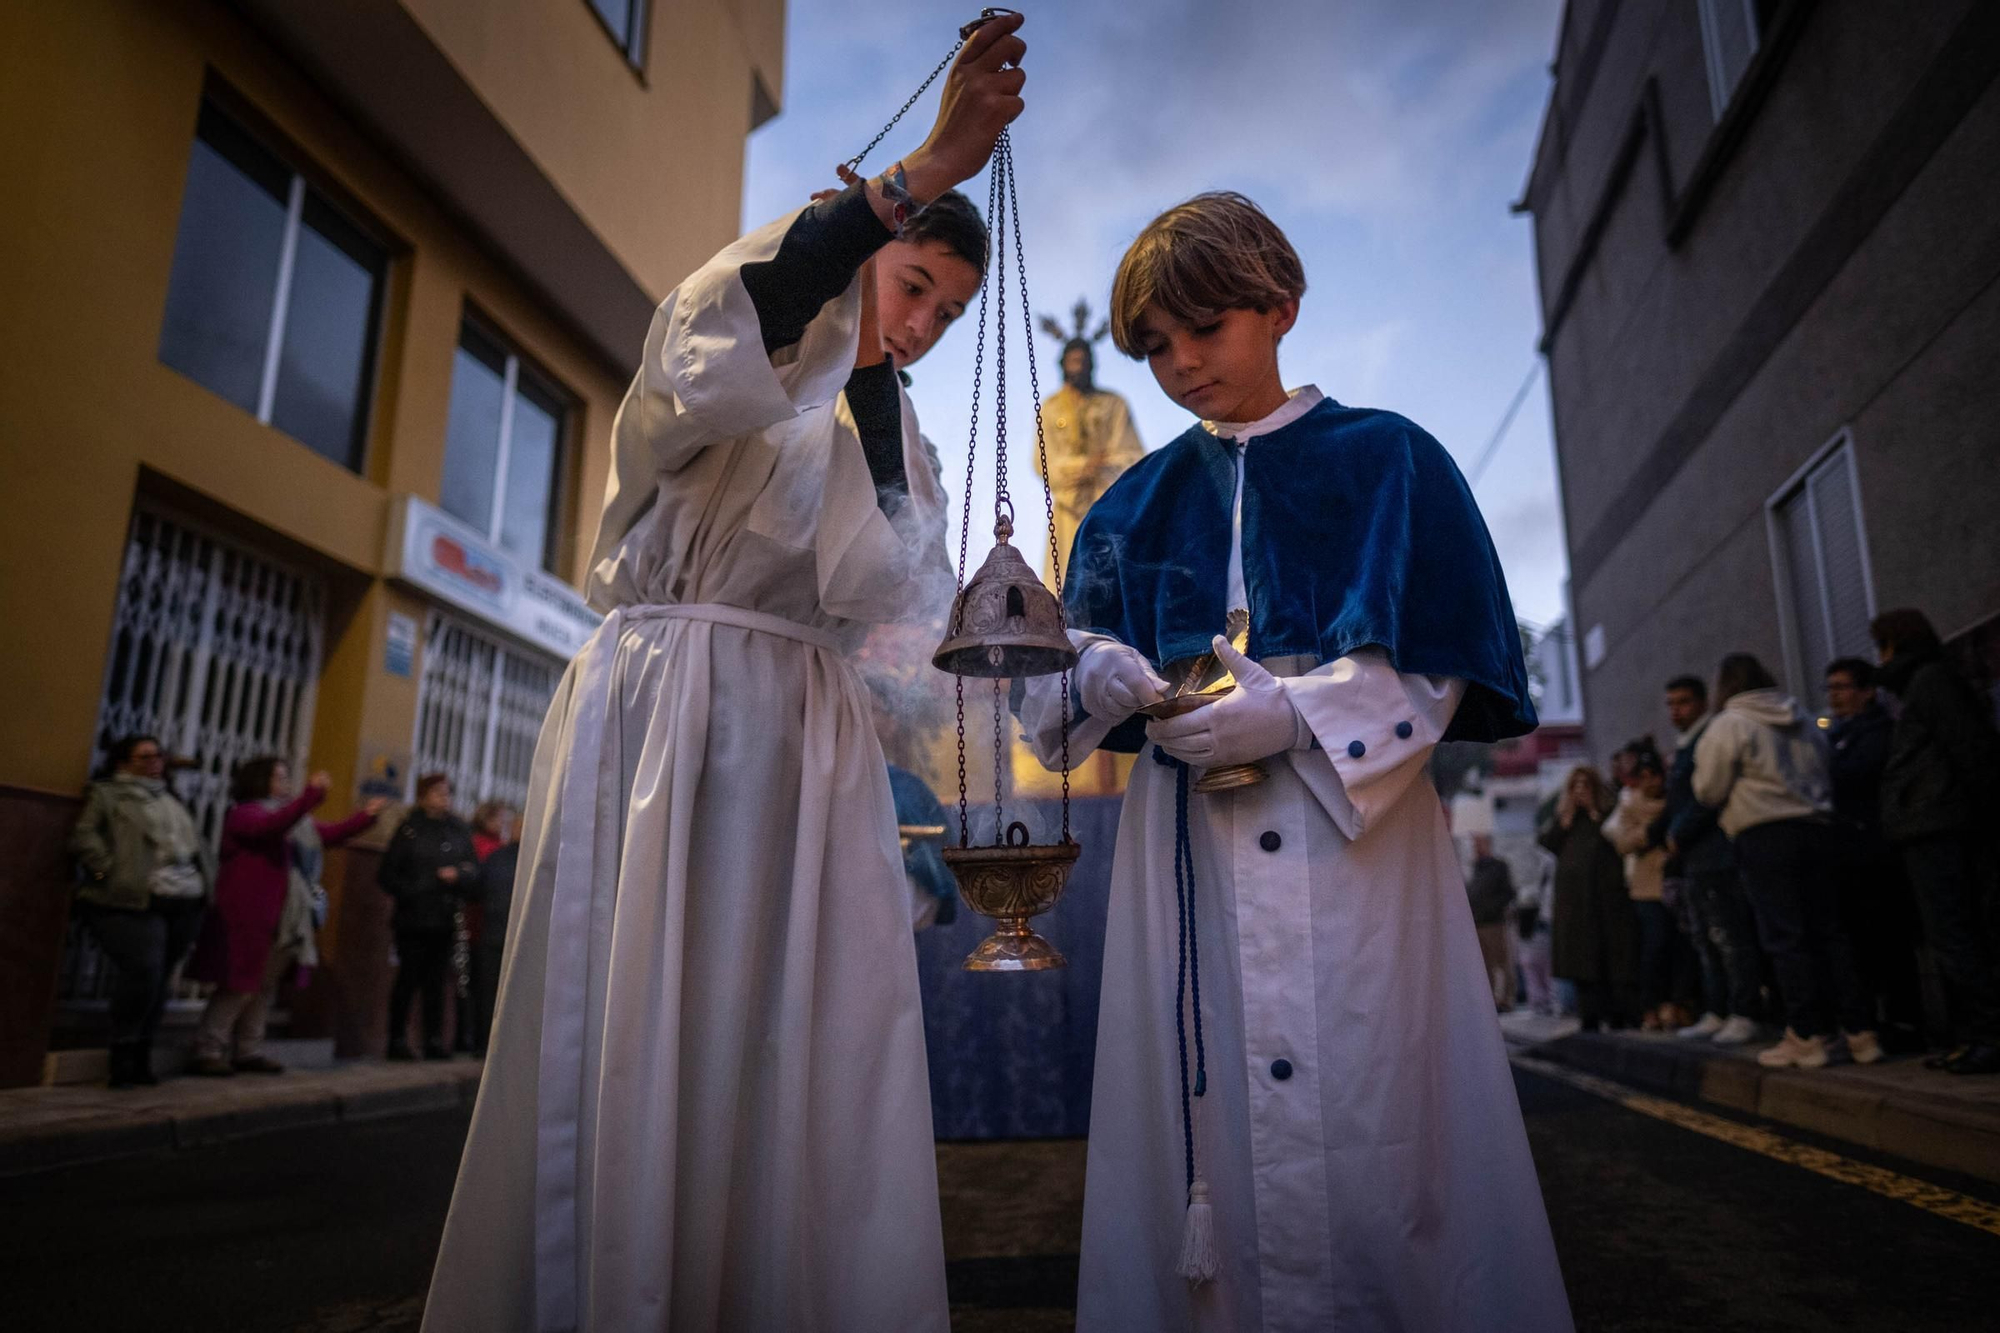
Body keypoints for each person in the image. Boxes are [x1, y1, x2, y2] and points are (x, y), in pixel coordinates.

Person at [422, 17, 1026, 1331]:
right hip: (669, 707)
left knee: (797, 1042)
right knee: (649, 1028)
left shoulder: (895, 424)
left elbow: (892, 588)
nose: (922, 325)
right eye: (914, 283)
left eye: (947, 311)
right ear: (868, 237)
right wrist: (925, 169)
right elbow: (746, 329)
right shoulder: (737, 323)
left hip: (805, 737)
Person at [1021, 191, 1570, 1331]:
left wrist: (1300, 716)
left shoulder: (1391, 463)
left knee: (1382, 1102)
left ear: (1279, 307)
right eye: (1153, 348)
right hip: (1189, 869)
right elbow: (1048, 686)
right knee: (1203, 1120)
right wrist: (1098, 675)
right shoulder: (1130, 501)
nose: (1177, 366)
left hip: (1353, 853)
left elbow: (1445, 659)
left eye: (1202, 331)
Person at [1692, 653, 1877, 1069]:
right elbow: (1826, 768)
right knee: (1830, 932)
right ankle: (1860, 1031)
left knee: (1785, 936)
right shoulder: (1806, 719)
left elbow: (1708, 789)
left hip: (1763, 833)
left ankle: (1807, 1034)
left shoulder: (1729, 724)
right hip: (1817, 828)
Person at [186, 758, 383, 1075]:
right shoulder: (245, 814)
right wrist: (311, 796)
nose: (285, 782)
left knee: (264, 986)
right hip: (246, 914)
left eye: (286, 776)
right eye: (278, 777)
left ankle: (249, 1049)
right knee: (238, 986)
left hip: (283, 916)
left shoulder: (295, 821)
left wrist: (366, 817)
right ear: (259, 781)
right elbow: (271, 827)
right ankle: (208, 1048)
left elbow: (329, 834)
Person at [1871, 609, 2000, 1075]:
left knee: (1958, 933)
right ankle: (1974, 1036)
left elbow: (1970, 748)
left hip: (1941, 826)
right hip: (1936, 824)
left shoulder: (1929, 682)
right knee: (1953, 935)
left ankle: (1988, 1036)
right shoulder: (1922, 684)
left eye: (1880, 644)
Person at [67, 734, 213, 1088]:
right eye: (144, 756)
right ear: (123, 763)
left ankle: (142, 1054)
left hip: (182, 899)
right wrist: (107, 873)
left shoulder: (171, 799)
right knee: (144, 971)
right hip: (129, 900)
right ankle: (122, 1053)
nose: (154, 762)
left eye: (158, 756)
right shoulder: (108, 795)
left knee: (160, 979)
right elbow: (83, 837)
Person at [1653, 675, 1761, 1045]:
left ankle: (1743, 1010)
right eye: (1670, 703)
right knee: (1707, 938)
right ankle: (1717, 1008)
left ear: (1701, 702)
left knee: (1729, 937)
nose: (1675, 711)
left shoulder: (1710, 736)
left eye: (1682, 702)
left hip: (1716, 853)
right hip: (1696, 858)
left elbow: (1706, 796)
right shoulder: (1687, 744)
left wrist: (1676, 833)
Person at [1824, 656, 1923, 1045]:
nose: (1834, 697)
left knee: (1888, 939)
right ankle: (1878, 1018)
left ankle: (1906, 1021)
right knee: (1861, 943)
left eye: (1841, 687)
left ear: (1866, 691)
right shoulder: (1836, 734)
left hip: (1874, 851)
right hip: (1848, 853)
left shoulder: (1878, 730)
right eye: (1829, 688)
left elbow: (1855, 774)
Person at [377, 773, 478, 1061]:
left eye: (447, 792)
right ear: (423, 796)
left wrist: (459, 875)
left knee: (437, 982)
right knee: (408, 979)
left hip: (445, 918)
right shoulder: (410, 829)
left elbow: (473, 868)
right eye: (436, 792)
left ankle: (434, 1040)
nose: (443, 798)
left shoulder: (458, 829)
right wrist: (419, 887)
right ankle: (397, 1040)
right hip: (413, 918)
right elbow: (387, 875)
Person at [1543, 765, 1638, 1033]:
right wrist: (1567, 817)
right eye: (1576, 786)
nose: (1581, 791)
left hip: (1605, 899)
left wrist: (1596, 813)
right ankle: (1589, 1016)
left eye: (1586, 785)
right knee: (1581, 961)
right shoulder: (1566, 820)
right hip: (1575, 903)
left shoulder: (1606, 815)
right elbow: (1549, 843)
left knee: (1610, 958)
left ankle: (1617, 1013)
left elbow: (1615, 838)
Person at [1605, 742, 1680, 1031]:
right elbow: (1623, 842)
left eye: (1654, 775)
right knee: (1655, 945)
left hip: (1674, 881)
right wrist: (1649, 833)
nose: (1650, 782)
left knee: (1678, 948)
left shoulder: (1673, 802)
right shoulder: (1629, 803)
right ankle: (1652, 1005)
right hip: (1645, 886)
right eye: (1644, 776)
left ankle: (1675, 1004)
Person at [469, 826, 519, 1058]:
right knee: (488, 993)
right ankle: (485, 1044)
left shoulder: (498, 857)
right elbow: (479, 889)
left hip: (503, 935)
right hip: (495, 934)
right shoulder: (498, 857)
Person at [1466, 834, 1517, 1011]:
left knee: (1501, 962)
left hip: (1494, 923)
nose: (1476, 847)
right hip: (1478, 923)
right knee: (1485, 964)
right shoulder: (1476, 868)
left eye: (1479, 843)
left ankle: (1506, 998)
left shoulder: (1498, 867)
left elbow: (1508, 892)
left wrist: (1492, 908)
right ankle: (1491, 999)